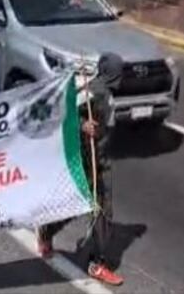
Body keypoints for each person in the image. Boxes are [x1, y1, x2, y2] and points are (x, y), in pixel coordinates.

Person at [37, 53, 124, 287]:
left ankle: (51, 234)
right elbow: (59, 113)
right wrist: (82, 125)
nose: (122, 76)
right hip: (86, 159)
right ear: (111, 71)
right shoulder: (91, 91)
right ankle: (94, 262)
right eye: (119, 71)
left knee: (99, 210)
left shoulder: (107, 91)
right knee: (90, 207)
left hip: (102, 160)